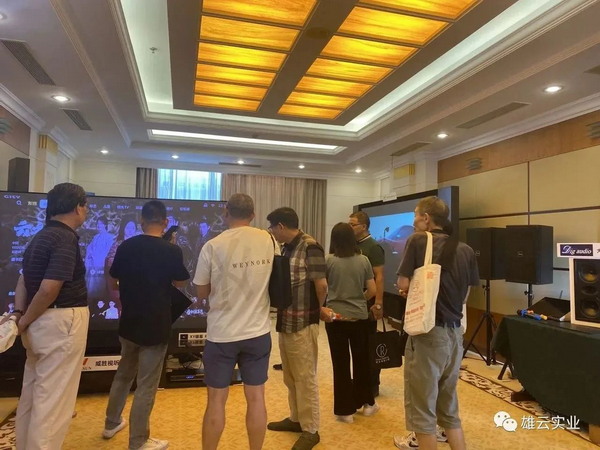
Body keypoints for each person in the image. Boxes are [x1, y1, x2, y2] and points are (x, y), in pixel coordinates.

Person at [4, 182, 90, 450]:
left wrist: (20, 316)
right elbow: (49, 288)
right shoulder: (65, 238)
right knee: (52, 403)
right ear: (78, 207)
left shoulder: (40, 237)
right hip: (60, 322)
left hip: (40, 324)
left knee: (33, 395)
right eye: (85, 206)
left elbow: (23, 281)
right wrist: (24, 320)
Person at [102, 200, 189, 450]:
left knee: (123, 374)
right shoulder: (171, 250)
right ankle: (138, 441)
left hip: (129, 321)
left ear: (142, 221)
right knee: (147, 385)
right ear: (165, 222)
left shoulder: (126, 246)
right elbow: (181, 282)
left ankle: (111, 423)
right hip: (156, 324)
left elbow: (114, 277)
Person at [393, 197, 479, 450]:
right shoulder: (465, 249)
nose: (413, 220)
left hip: (428, 331)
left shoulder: (418, 240)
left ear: (426, 218)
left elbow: (403, 283)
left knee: (421, 408)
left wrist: (410, 291)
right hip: (455, 333)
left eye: (415, 215)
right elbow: (466, 294)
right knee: (449, 406)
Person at [193, 193, 275, 450]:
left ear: (225, 212)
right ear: (253, 215)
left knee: (216, 400)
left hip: (222, 334)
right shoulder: (269, 239)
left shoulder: (212, 245)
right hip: (258, 332)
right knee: (256, 398)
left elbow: (201, 292)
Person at [266, 207, 327, 450]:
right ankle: (296, 419)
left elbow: (321, 284)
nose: (271, 231)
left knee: (305, 377)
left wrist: (320, 309)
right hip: (286, 320)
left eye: (272, 227)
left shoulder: (310, 246)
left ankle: (311, 430)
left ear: (281, 226)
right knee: (290, 376)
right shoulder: (286, 247)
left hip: (303, 322)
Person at [322, 222, 378, 423]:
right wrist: (359, 299)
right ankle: (368, 403)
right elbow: (372, 290)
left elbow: (322, 287)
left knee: (340, 363)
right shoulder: (363, 260)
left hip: (335, 318)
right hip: (359, 318)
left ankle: (345, 411)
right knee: (362, 361)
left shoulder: (328, 260)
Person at [348, 211, 385, 397]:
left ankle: (372, 384)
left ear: (363, 226)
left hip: (368, 298)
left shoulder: (373, 247)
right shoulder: (352, 245)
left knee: (369, 343)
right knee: (357, 343)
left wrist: (378, 303)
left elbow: (379, 277)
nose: (350, 227)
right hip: (353, 300)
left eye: (353, 224)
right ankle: (359, 381)